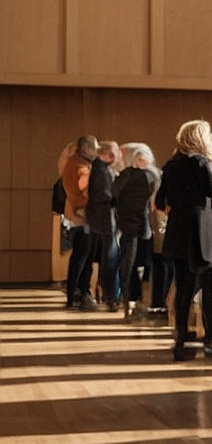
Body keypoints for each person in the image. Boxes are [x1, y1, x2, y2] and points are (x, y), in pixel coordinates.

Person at [156, 121, 212, 361]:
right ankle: (211, 341)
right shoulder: (203, 164)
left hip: (178, 230)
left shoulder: (171, 166)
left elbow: (160, 201)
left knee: (184, 288)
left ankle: (180, 341)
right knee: (211, 287)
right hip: (203, 230)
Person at [115, 144, 160, 324]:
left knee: (134, 266)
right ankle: (133, 302)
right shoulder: (150, 176)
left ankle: (134, 302)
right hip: (138, 229)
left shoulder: (126, 176)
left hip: (135, 228)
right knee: (134, 266)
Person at [60, 135, 97, 310]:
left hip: (73, 215)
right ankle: (79, 292)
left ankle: (75, 292)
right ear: (87, 148)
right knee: (83, 258)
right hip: (82, 216)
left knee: (80, 257)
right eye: (94, 148)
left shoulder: (71, 163)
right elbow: (84, 191)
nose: (96, 152)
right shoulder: (81, 167)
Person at [87, 141, 122, 309]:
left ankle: (108, 294)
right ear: (108, 153)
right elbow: (104, 195)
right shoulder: (101, 171)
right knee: (110, 259)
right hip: (106, 221)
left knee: (106, 259)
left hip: (102, 220)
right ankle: (111, 296)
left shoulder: (99, 169)